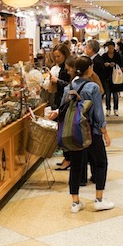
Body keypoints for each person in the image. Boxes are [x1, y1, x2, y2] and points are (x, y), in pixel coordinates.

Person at [49, 56, 114, 213]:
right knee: (100, 163)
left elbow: (64, 109)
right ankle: (99, 199)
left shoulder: (69, 87)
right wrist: (104, 132)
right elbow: (98, 113)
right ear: (90, 68)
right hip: (91, 131)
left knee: (77, 165)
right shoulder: (93, 87)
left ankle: (75, 202)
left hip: (75, 132)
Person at [50, 43, 73, 171]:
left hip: (65, 103)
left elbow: (70, 86)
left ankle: (69, 159)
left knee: (65, 133)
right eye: (55, 56)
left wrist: (56, 80)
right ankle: (67, 158)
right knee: (62, 131)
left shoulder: (67, 68)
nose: (56, 59)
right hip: (60, 101)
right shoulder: (59, 67)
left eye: (59, 56)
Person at [101, 41, 123, 116]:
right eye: (109, 48)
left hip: (115, 77)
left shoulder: (117, 55)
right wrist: (105, 64)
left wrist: (115, 64)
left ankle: (116, 109)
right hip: (107, 77)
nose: (110, 49)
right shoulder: (104, 56)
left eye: (112, 48)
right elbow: (101, 65)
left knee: (115, 94)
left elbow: (120, 64)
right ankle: (108, 109)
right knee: (107, 94)